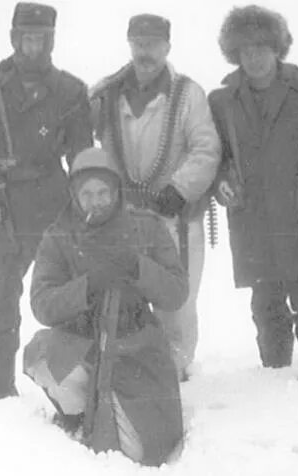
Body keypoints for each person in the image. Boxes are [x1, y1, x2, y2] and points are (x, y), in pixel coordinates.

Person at [0, 2, 92, 401]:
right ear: (14, 38)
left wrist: (86, 206)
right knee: (0, 297)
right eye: (26, 38)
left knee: (66, 296)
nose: (32, 47)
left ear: (50, 41)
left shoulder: (70, 90)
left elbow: (82, 154)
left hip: (52, 207)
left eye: (40, 39)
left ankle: (74, 388)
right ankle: (0, 391)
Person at [23, 147, 187, 466]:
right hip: (83, 344)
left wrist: (137, 267)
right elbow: (42, 304)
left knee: (143, 452)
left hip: (136, 348)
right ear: (74, 195)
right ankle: (79, 410)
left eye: (103, 192)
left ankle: (112, 406)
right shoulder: (59, 236)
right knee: (39, 355)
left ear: (116, 192)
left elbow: (177, 292)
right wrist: (86, 287)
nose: (95, 201)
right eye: (87, 194)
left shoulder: (146, 227)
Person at [89, 14, 220, 379]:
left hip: (174, 216)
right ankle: (129, 367)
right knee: (122, 293)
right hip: (123, 214)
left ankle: (175, 369)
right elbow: (78, 130)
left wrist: (180, 188)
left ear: (167, 47)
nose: (145, 51)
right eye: (139, 43)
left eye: (153, 43)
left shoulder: (187, 93)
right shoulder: (106, 92)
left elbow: (206, 148)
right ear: (129, 44)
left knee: (177, 298)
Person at [208, 5, 298, 386]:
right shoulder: (222, 99)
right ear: (235, 53)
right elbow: (216, 155)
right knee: (265, 302)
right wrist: (222, 181)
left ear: (278, 48)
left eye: (262, 47)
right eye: (245, 49)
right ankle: (274, 377)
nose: (255, 57)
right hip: (252, 216)